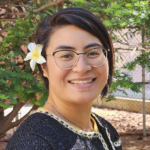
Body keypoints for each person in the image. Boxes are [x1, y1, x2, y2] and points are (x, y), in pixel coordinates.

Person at [6, 8, 122, 150]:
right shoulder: (33, 142)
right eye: (66, 55)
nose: (82, 67)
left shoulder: (106, 130)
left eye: (92, 53)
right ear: (44, 67)